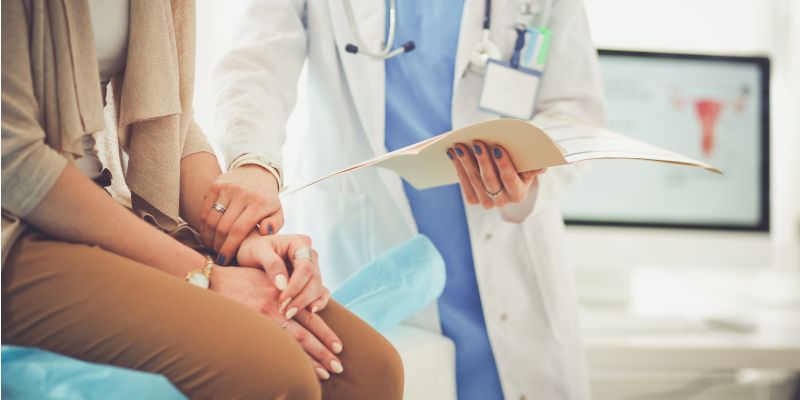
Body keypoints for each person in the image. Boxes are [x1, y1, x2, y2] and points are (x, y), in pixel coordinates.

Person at [1, 1, 403, 399]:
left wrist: (238, 235)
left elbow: (169, 119)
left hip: (101, 204)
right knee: (274, 374)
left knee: (369, 370)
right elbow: (14, 161)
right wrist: (206, 276)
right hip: (17, 228)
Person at [214, 0, 604, 398]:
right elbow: (256, 61)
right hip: (372, 248)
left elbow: (574, 109)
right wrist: (254, 162)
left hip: (507, 252)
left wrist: (529, 169)